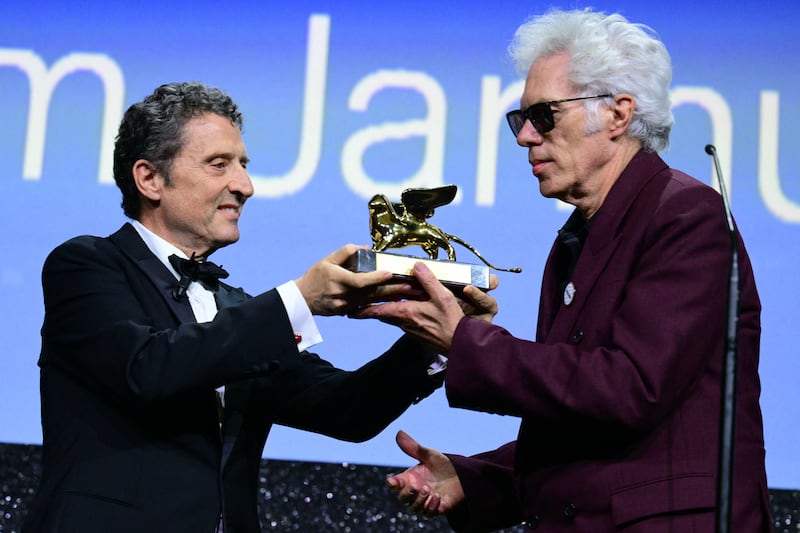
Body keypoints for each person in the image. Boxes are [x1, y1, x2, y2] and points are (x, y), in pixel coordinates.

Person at [353, 8, 772, 532]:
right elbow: (579, 418)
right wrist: (475, 478)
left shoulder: (687, 216)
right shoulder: (580, 235)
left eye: (545, 115)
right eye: (519, 119)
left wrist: (467, 342)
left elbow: (630, 389)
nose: (526, 136)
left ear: (618, 115)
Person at [23, 81, 461, 533]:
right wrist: (301, 301)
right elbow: (147, 368)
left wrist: (437, 337)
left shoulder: (238, 311)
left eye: (244, 165)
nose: (245, 185)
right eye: (219, 165)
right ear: (149, 178)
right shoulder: (85, 265)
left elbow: (345, 410)